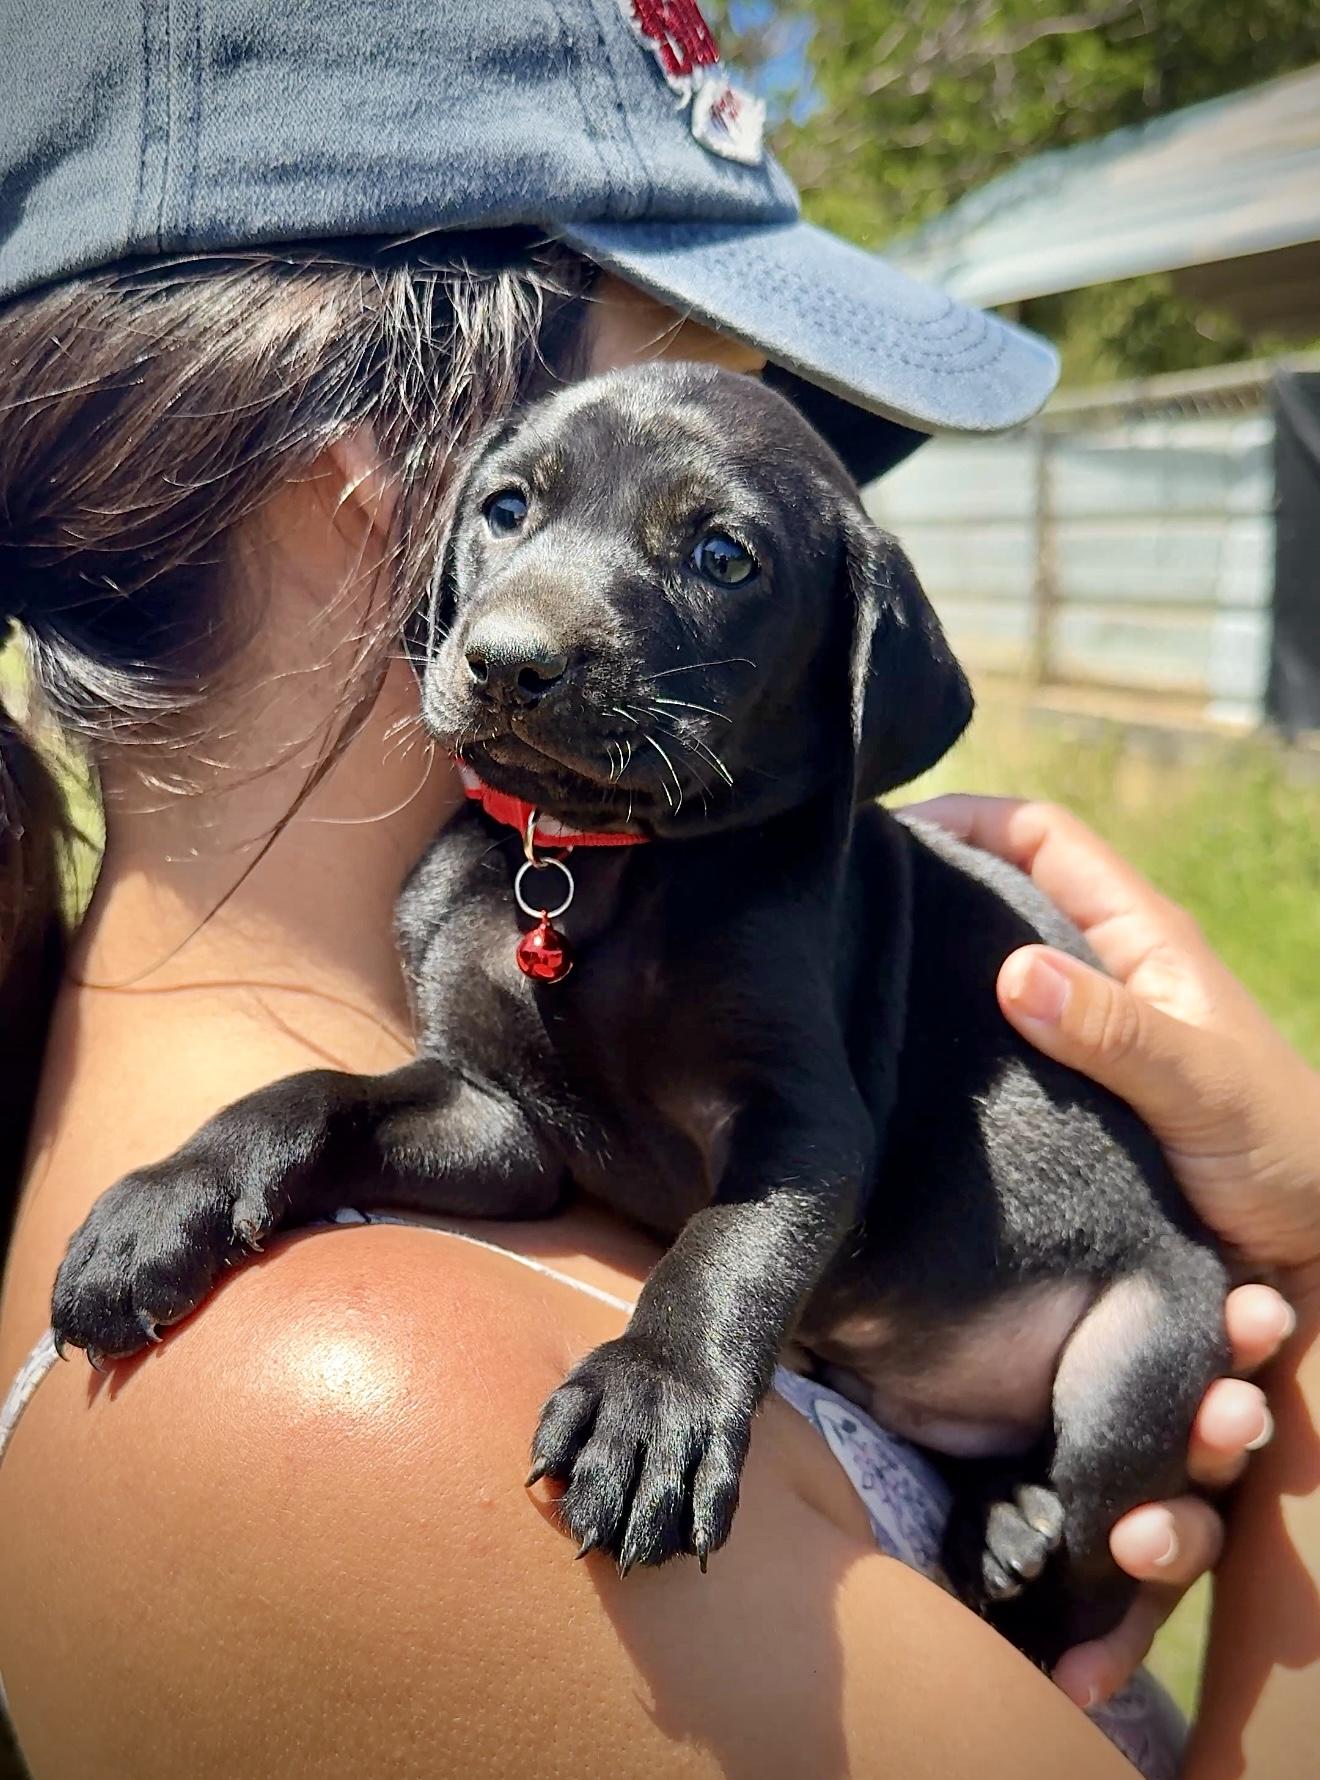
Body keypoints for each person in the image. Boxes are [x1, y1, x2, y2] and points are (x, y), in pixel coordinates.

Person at [0, 5, 1311, 1777]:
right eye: (712, 361)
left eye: (713, 543)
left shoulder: (553, 994)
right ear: (364, 484)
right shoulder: (351, 1411)